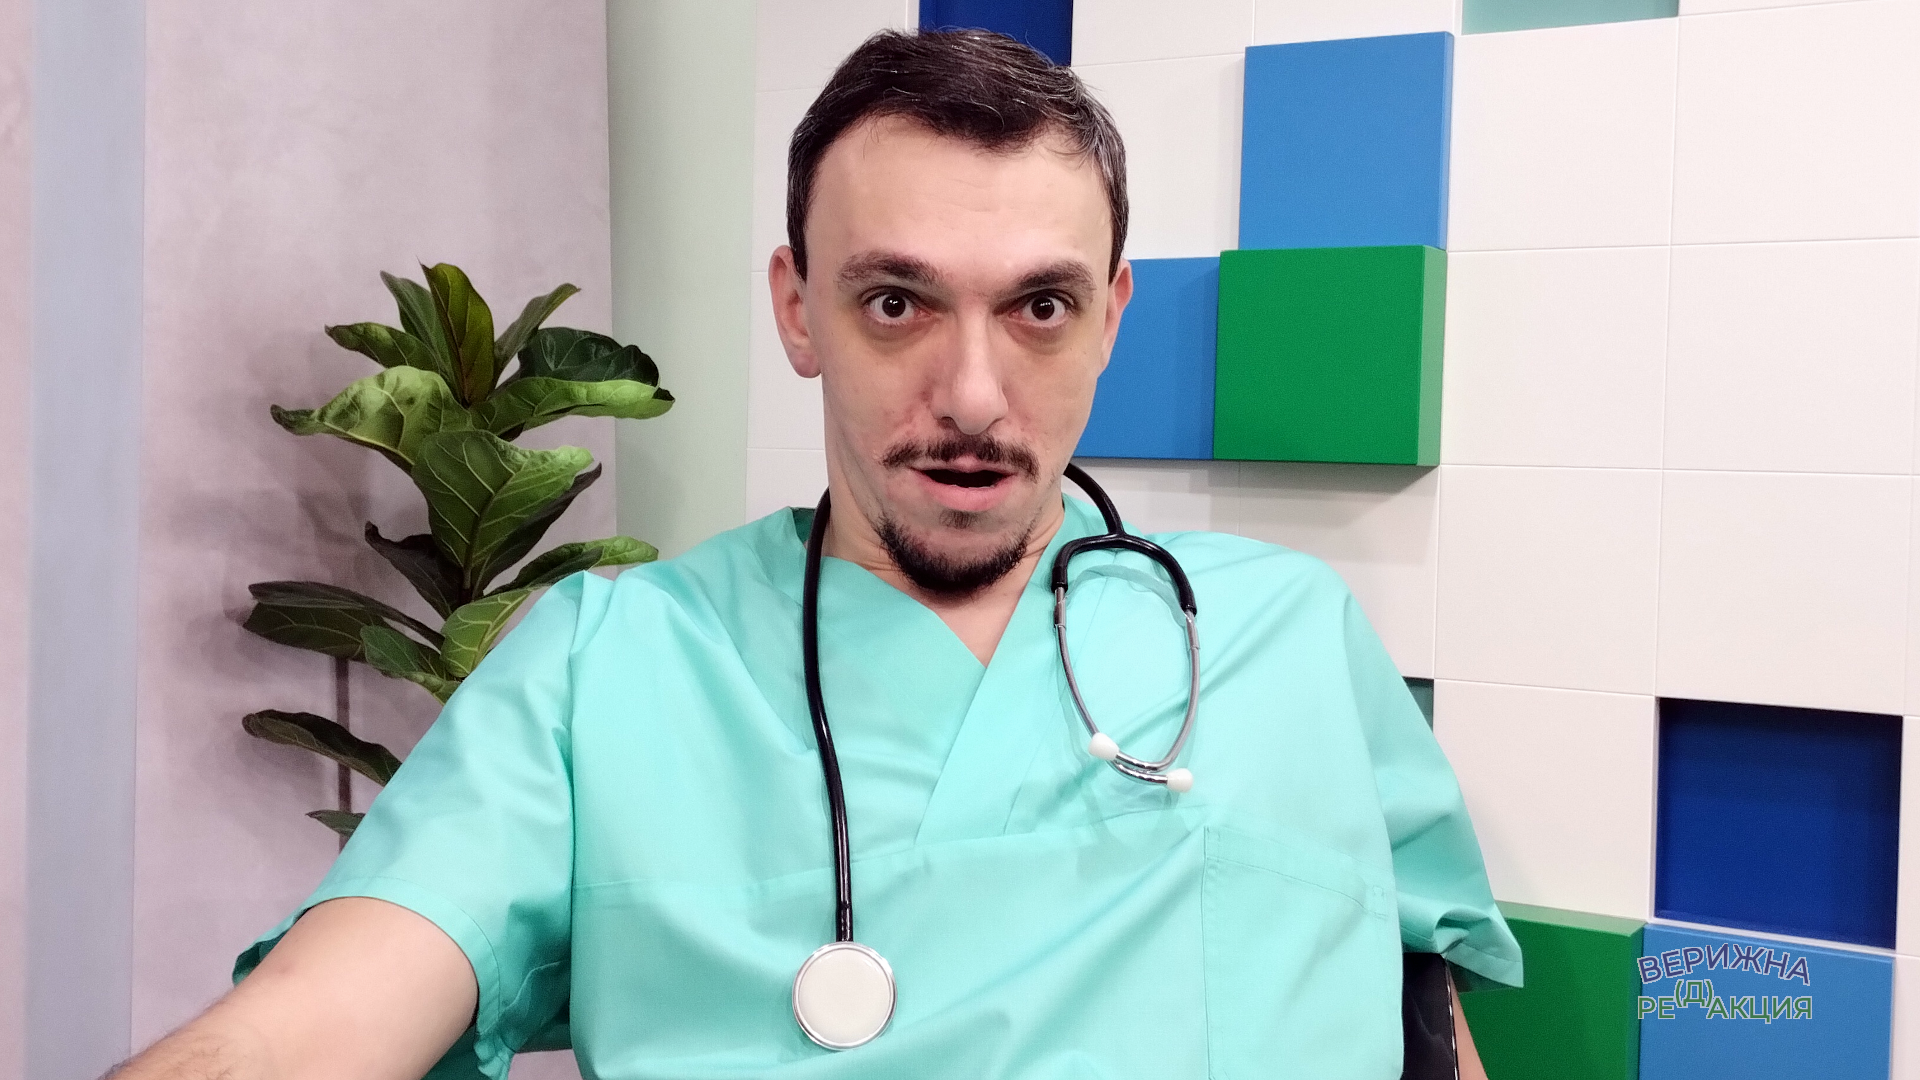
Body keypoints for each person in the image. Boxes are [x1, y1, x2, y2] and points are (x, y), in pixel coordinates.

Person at [118, 29, 1520, 1080]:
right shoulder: (612, 669)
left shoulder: (1285, 635)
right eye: (897, 301)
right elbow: (307, 1024)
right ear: (798, 311)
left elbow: (1423, 1017)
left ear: (1110, 318)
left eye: (1039, 307)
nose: (973, 394)